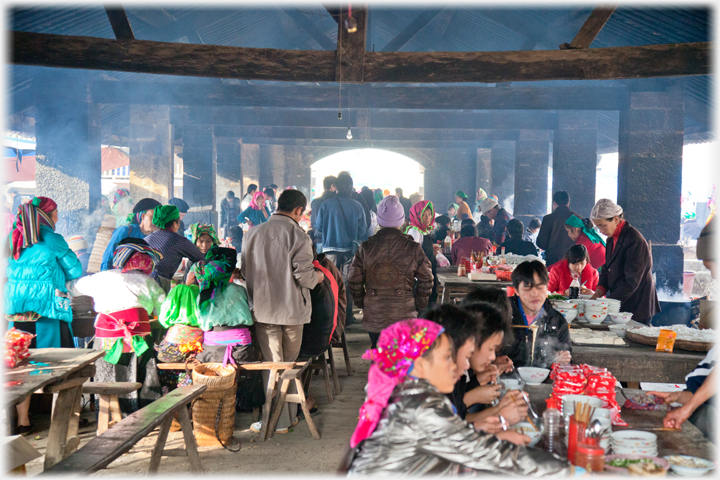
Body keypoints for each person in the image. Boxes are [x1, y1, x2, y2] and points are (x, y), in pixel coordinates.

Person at [343, 318, 571, 476]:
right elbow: (486, 454)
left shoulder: (411, 395)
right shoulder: (418, 407)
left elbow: (451, 443)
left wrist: (484, 428)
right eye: (447, 358)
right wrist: (571, 471)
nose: (458, 367)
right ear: (420, 364)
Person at [241, 189, 323, 434]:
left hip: (264, 311)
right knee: (288, 365)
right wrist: (318, 277)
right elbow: (305, 277)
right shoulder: (298, 235)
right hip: (293, 312)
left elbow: (245, 271)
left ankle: (276, 420)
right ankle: (286, 419)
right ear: (298, 211)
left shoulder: (253, 233)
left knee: (273, 365)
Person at [6, 197, 83, 435]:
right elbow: (76, 269)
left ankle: (23, 421)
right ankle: (64, 419)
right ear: (45, 215)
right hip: (48, 310)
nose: (58, 218)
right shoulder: (52, 238)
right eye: (56, 213)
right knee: (60, 363)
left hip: (16, 311)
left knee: (21, 364)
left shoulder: (12, 237)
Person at [70, 238, 165, 414]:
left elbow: (76, 288)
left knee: (106, 374)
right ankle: (143, 413)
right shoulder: (148, 282)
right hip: (139, 339)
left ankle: (108, 413)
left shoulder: (100, 278)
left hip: (107, 338)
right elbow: (163, 311)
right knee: (142, 372)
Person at [347, 195, 433, 349]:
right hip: (404, 311)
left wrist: (363, 302)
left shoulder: (366, 248)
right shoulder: (413, 248)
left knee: (378, 350)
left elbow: (353, 280)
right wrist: (419, 303)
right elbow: (426, 278)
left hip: (374, 311)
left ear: (379, 221)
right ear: (401, 221)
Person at [589, 199, 660, 325]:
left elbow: (631, 282)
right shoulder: (612, 238)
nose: (601, 231)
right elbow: (606, 268)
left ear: (616, 220)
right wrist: (599, 292)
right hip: (621, 302)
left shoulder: (634, 240)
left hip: (637, 305)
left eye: (603, 225)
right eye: (598, 226)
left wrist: (607, 303)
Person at [315, 173, 366, 327]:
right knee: (348, 284)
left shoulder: (326, 204)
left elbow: (318, 226)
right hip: (350, 251)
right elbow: (363, 229)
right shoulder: (357, 205)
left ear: (336, 186)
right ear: (350, 187)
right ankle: (346, 318)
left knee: (330, 284)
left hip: (330, 250)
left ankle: (331, 318)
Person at [502, 260, 571, 368]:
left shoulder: (557, 321)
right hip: (507, 381)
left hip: (544, 383)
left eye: (539, 287)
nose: (534, 293)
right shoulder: (503, 315)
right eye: (527, 288)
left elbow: (566, 361)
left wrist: (562, 359)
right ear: (516, 290)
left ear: (547, 287)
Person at [144, 205, 204, 292]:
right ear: (175, 224)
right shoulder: (178, 240)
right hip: (159, 284)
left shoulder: (147, 238)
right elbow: (200, 258)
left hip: (142, 280)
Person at [101, 197, 161, 271]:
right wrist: (105, 276)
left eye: (159, 218)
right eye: (153, 217)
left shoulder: (155, 238)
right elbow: (108, 256)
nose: (156, 222)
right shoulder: (125, 231)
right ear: (143, 216)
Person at [536, 191, 577, 269]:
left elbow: (541, 244)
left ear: (554, 203)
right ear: (568, 203)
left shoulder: (548, 219)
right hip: (573, 263)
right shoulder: (577, 219)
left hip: (553, 263)